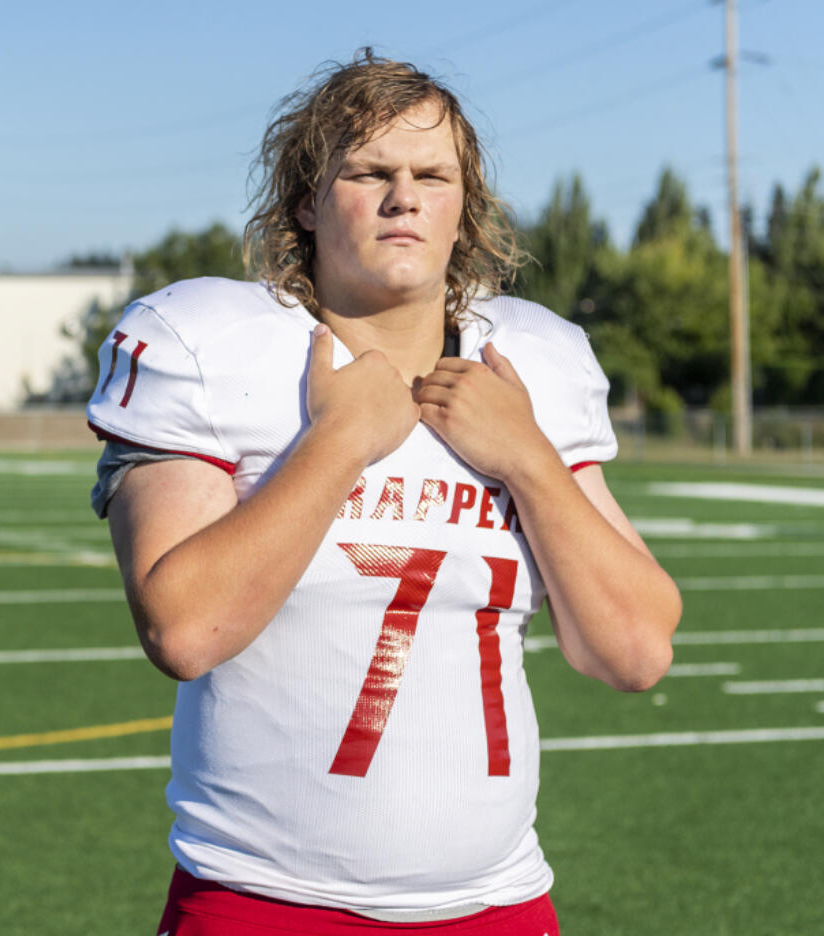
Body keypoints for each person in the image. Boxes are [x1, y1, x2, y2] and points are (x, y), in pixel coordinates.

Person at [86, 49, 681, 936]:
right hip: (264, 902)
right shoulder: (213, 344)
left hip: (501, 906)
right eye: (369, 172)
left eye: (432, 176)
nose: (405, 196)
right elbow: (185, 629)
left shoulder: (530, 367)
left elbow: (634, 652)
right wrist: (338, 442)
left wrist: (527, 459)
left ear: (462, 213)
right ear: (305, 204)